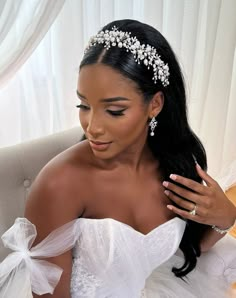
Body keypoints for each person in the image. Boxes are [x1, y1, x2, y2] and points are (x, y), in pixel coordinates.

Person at [0, 19, 236, 298]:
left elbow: (192, 249)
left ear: (155, 104)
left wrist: (226, 217)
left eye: (113, 110)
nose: (92, 127)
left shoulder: (178, 162)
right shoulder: (59, 184)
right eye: (84, 105)